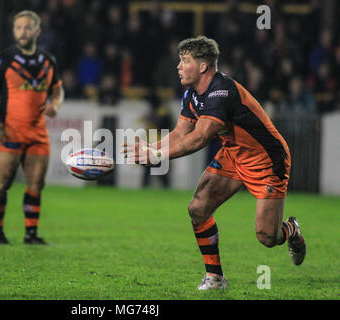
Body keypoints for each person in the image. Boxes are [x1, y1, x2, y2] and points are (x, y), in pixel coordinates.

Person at [123, 36, 306, 290]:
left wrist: (156, 156)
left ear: (203, 67)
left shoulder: (222, 91)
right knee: (198, 209)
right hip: (233, 154)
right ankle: (215, 278)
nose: (178, 66)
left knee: (267, 236)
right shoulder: (191, 94)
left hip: (266, 159)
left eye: (185, 60)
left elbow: (200, 138)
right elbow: (180, 134)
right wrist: (149, 148)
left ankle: (291, 230)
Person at [0, 10, 64, 245]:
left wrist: (55, 105)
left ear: (37, 31)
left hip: (38, 133)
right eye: (18, 27)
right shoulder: (3, 60)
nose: (22, 32)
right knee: (3, 181)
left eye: (27, 27)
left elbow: (57, 90)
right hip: (10, 129)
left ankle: (31, 234)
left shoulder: (48, 60)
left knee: (37, 184)